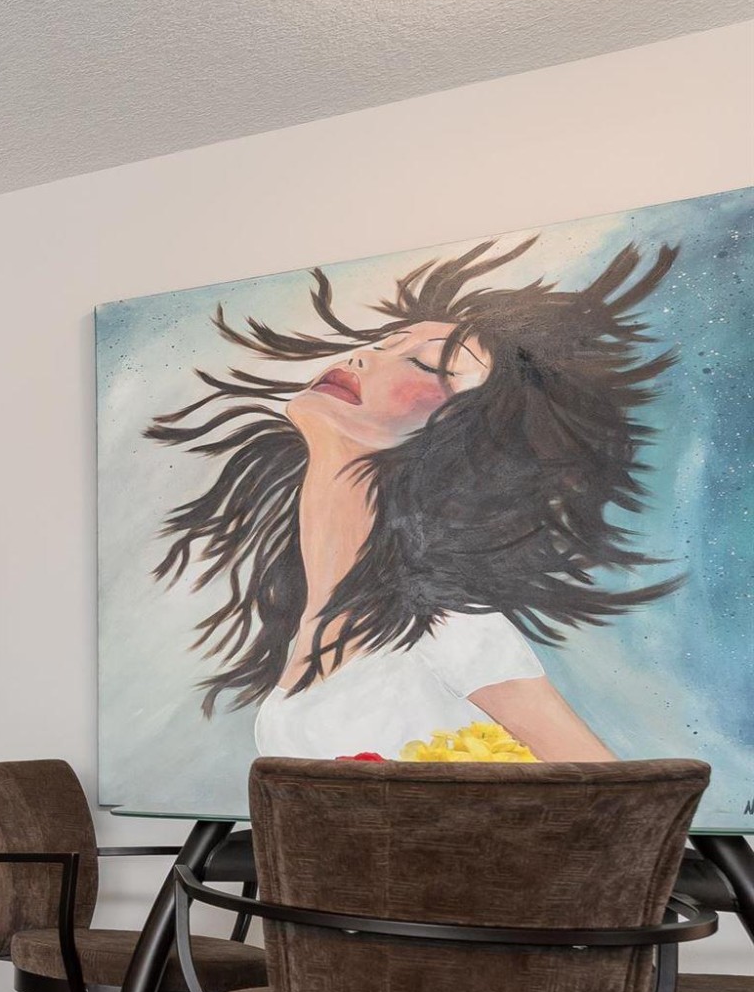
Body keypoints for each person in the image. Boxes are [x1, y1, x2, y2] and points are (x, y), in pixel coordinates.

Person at [146, 236, 680, 761]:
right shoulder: (306, 620)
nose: (363, 359)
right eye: (382, 345)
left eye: (425, 365)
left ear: (462, 439)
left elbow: (616, 799)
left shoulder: (456, 628)